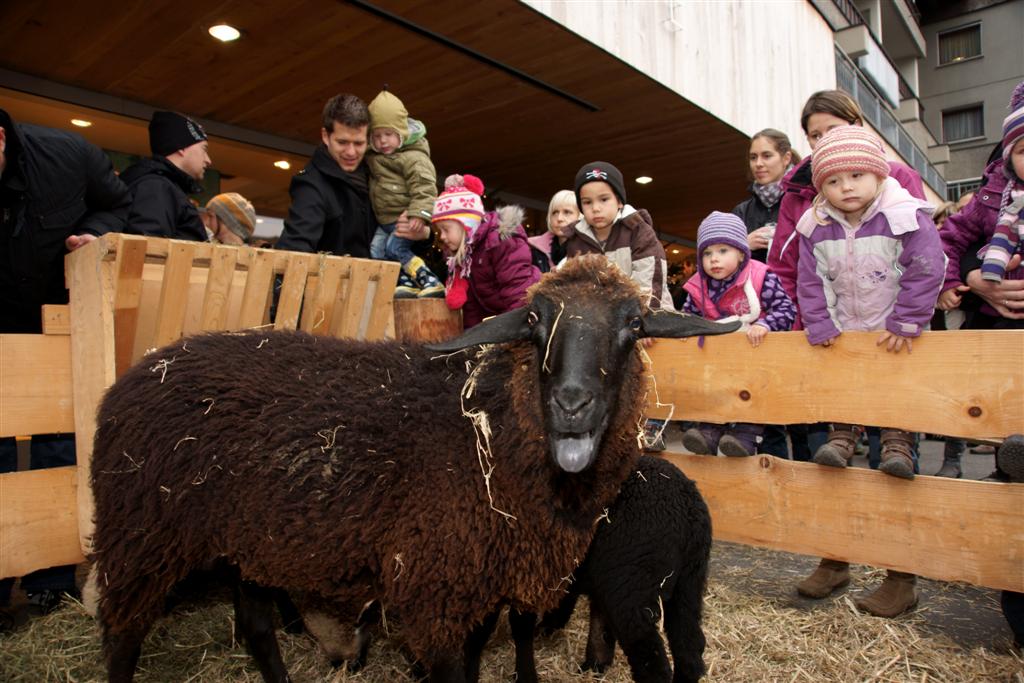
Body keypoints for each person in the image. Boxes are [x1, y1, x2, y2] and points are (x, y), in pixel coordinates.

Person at [794, 126, 944, 619]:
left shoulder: (904, 215)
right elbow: (810, 281)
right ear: (821, 187)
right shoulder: (816, 226)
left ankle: (901, 576)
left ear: (878, 175)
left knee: (893, 465)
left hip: (895, 342)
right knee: (832, 461)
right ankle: (835, 557)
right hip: (846, 343)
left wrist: (907, 321)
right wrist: (821, 325)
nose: (847, 187)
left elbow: (928, 265)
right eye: (834, 181)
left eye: (857, 176)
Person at [0, 107, 131, 629]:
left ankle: (50, 583)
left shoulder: (68, 155)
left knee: (57, 442)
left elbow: (117, 203)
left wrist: (92, 234)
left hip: (53, 319)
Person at [767, 90, 928, 462]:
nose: (824, 140)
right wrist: (808, 323)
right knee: (828, 435)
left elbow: (922, 256)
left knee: (892, 437)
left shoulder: (898, 178)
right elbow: (787, 266)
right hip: (827, 331)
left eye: (833, 128)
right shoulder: (798, 193)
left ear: (857, 125)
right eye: (815, 135)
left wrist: (908, 318)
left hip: (890, 330)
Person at [679, 212, 796, 456]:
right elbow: (688, 316)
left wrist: (765, 324)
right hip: (717, 358)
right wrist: (685, 331)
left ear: (741, 252)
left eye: (723, 251)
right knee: (714, 391)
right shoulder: (698, 285)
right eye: (707, 253)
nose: (714, 259)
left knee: (751, 391)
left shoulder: (760, 276)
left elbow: (786, 309)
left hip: (754, 356)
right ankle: (709, 431)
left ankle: (745, 436)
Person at [276, 93, 432, 259]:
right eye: (342, 142)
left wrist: (423, 235)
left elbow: (405, 249)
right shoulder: (312, 185)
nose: (351, 152)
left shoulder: (378, 170)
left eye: (359, 143)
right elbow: (293, 251)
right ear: (326, 136)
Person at [432, 174, 540, 329]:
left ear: (466, 225)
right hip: (498, 321)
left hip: (521, 319)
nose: (442, 236)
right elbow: (472, 306)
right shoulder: (464, 256)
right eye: (439, 231)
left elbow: (518, 292)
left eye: (446, 229)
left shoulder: (502, 242)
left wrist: (510, 332)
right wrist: (472, 335)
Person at [564, 161, 674, 310]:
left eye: (604, 199)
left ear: (619, 201)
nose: (595, 208)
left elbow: (649, 285)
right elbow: (574, 287)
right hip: (598, 319)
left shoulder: (638, 231)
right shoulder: (576, 241)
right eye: (587, 202)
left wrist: (629, 317)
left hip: (649, 314)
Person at [365, 89, 443, 298]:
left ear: (402, 133)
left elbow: (425, 186)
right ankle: (405, 283)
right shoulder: (373, 157)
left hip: (404, 219)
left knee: (395, 249)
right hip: (385, 220)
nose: (382, 141)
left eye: (388, 134)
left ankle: (430, 280)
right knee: (376, 251)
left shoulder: (413, 157)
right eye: (376, 136)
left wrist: (420, 214)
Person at [121, 111, 211, 241]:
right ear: (181, 147)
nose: (208, 160)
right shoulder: (156, 187)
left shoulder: (162, 186)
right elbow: (147, 247)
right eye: (204, 149)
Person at [732, 128, 800, 263]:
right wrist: (743, 246)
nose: (758, 164)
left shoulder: (804, 201)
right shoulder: (741, 211)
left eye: (767, 156)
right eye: (753, 157)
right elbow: (724, 261)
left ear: (786, 158)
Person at [529, 190, 577, 270]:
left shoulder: (590, 251)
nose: (559, 218)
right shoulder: (532, 248)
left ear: (580, 216)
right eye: (555, 212)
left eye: (567, 212)